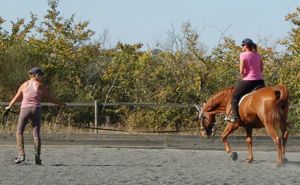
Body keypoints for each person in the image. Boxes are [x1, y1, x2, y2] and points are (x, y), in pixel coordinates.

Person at [6, 67, 65, 165]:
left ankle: (21, 155)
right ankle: (37, 157)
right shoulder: (41, 86)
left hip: (25, 109)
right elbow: (52, 99)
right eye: (40, 75)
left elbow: (15, 99)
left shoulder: (24, 85)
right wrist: (63, 104)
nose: (42, 77)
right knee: (36, 133)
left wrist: (8, 108)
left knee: (19, 132)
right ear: (35, 75)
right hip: (36, 109)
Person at [226, 38, 265, 123]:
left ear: (246, 46)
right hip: (260, 82)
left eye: (242, 45)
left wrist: (242, 77)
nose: (242, 47)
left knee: (235, 97)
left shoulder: (243, 55)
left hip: (249, 81)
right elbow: (261, 69)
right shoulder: (258, 55)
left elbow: (241, 71)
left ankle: (234, 116)